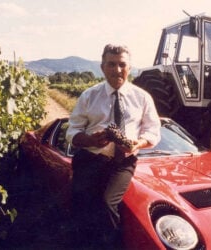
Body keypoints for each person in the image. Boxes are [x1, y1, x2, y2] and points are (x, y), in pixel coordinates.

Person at [65, 44, 161, 248]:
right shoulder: (89, 96)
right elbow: (71, 132)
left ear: (130, 67)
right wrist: (91, 140)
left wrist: (139, 143)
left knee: (108, 203)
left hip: (122, 162)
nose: (117, 70)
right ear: (102, 67)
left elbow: (153, 131)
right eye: (111, 64)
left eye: (122, 64)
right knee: (81, 203)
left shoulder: (142, 98)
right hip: (90, 159)